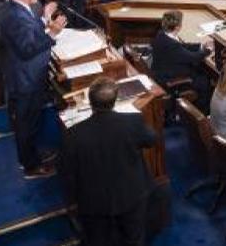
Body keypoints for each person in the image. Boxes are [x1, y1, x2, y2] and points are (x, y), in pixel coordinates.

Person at [59, 77, 156, 246]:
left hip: (94, 201)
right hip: (131, 194)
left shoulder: (73, 134)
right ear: (115, 100)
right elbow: (151, 139)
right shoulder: (132, 122)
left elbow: (66, 171)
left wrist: (72, 200)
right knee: (134, 239)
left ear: (90, 102)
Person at [0, 0, 68, 179]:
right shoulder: (15, 16)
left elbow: (30, 32)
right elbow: (28, 47)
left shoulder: (18, 8)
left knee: (32, 120)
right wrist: (53, 32)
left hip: (29, 75)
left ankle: (32, 154)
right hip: (25, 79)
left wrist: (44, 20)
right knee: (26, 122)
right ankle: (30, 166)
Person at [151, 10, 213, 111]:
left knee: (201, 69)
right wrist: (208, 51)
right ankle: (202, 111)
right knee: (204, 80)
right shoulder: (172, 45)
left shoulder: (162, 34)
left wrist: (200, 45)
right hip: (168, 78)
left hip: (162, 70)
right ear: (177, 27)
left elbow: (182, 47)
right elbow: (192, 57)